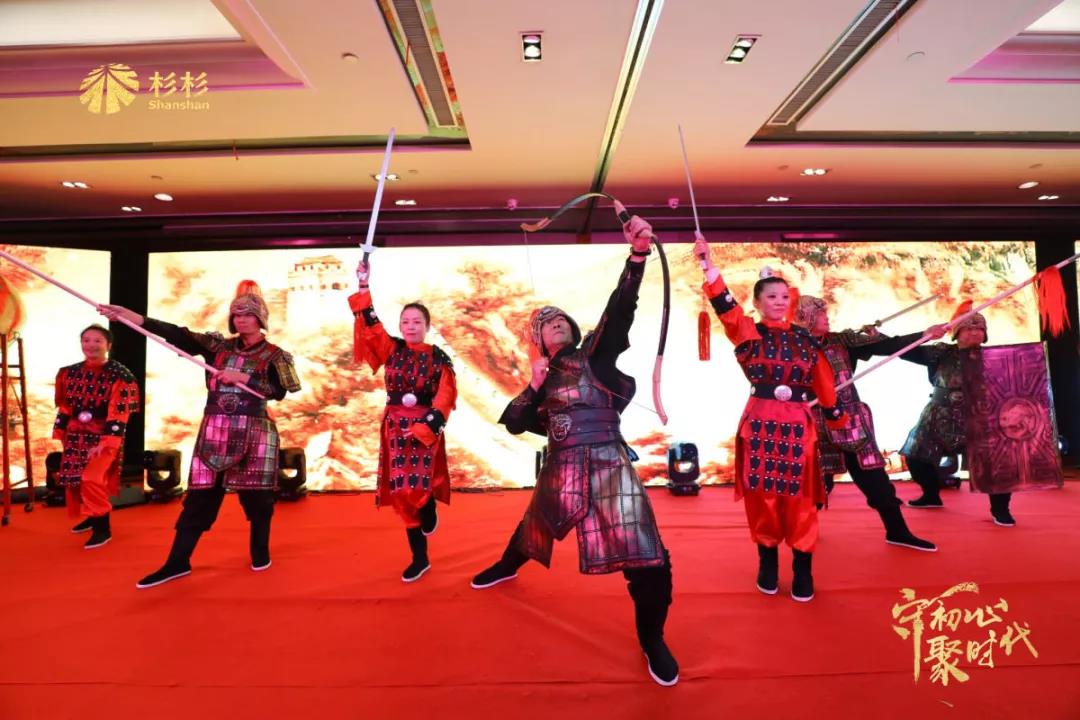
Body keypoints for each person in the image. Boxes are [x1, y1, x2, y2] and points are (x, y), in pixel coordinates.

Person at [469, 214, 679, 687]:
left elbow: (619, 310)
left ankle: (652, 638)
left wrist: (637, 256)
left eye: (561, 319)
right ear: (537, 341)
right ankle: (506, 567)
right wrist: (533, 384)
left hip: (609, 467)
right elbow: (516, 423)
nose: (557, 324)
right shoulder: (540, 381)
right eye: (546, 324)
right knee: (533, 528)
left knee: (648, 559)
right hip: (560, 469)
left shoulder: (595, 356)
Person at [100, 280, 302, 588]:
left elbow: (279, 391)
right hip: (215, 430)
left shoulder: (275, 355)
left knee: (258, 499)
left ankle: (260, 551)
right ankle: (177, 562)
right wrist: (134, 317)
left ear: (260, 318)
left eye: (247, 315)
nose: (241, 320)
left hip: (256, 432)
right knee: (200, 498)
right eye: (237, 315)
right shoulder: (218, 347)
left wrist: (243, 377)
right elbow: (177, 334)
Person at [695, 233, 844, 603]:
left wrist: (834, 413)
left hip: (797, 426)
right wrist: (709, 267)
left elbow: (823, 380)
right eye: (771, 297)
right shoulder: (748, 332)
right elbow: (726, 308)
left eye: (783, 297)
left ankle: (803, 569)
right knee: (763, 496)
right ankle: (767, 563)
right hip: (761, 423)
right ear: (758, 303)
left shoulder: (806, 340)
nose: (778, 302)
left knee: (801, 499)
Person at [793, 295, 940, 552]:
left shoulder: (842, 341)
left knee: (875, 478)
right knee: (815, 483)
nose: (827, 317)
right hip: (811, 425)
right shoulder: (789, 348)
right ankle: (803, 530)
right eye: (820, 313)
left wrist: (925, 335)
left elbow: (889, 345)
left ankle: (897, 531)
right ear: (805, 317)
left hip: (849, 423)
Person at [349, 260, 457, 582]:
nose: (410, 326)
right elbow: (370, 326)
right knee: (400, 491)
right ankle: (419, 558)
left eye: (416, 321)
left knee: (419, 486)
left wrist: (427, 425)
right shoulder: (392, 349)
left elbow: (446, 395)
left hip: (423, 428)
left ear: (427, 325)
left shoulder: (438, 357)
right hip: (395, 427)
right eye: (405, 321)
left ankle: (429, 507)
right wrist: (363, 285)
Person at [899, 308, 1016, 526]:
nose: (975, 333)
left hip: (980, 418)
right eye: (969, 329)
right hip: (937, 415)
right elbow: (905, 351)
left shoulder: (995, 358)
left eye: (980, 329)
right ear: (957, 333)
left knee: (997, 463)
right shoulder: (940, 353)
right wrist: (923, 336)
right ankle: (931, 495)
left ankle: (1001, 510)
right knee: (916, 455)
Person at [53, 324, 139, 549]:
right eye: (86, 340)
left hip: (104, 437)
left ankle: (103, 528)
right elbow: (65, 406)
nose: (91, 345)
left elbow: (119, 413)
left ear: (108, 345)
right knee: (77, 477)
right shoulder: (69, 372)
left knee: (91, 477)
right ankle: (93, 517)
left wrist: (107, 442)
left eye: (97, 341)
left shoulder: (121, 375)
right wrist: (60, 432)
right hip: (75, 434)